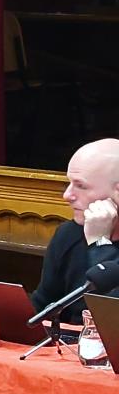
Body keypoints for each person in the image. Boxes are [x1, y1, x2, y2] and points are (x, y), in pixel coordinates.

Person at [30, 137, 119, 323]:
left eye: (81, 186)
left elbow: (111, 320)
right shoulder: (68, 234)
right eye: (69, 183)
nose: (67, 195)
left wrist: (99, 243)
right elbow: (43, 305)